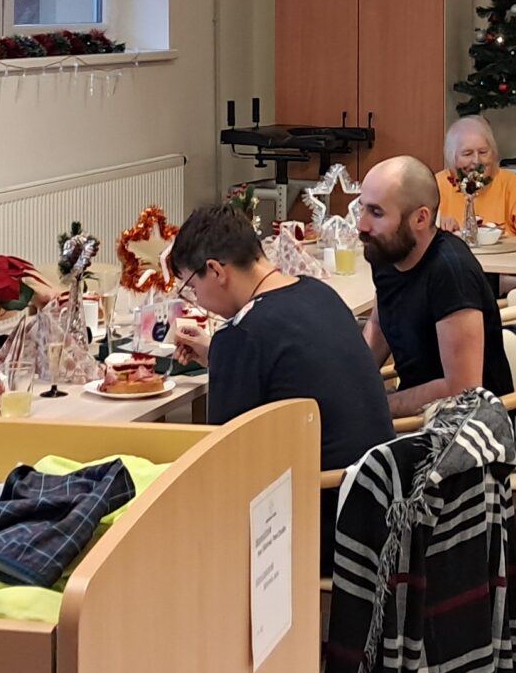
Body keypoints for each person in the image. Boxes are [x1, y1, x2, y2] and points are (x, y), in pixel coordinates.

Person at [167, 203, 395, 473]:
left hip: (322, 491)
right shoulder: (318, 292)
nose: (199, 301)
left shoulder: (241, 334)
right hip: (380, 481)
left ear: (216, 271)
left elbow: (225, 460)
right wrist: (216, 354)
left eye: (193, 288)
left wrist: (226, 353)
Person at [355, 156, 513, 417]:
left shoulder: (451, 271)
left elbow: (462, 389)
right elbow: (380, 324)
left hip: (469, 423)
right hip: (419, 412)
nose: (361, 224)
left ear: (420, 218)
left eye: (376, 213)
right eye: (361, 209)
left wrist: (375, 407)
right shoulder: (387, 251)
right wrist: (350, 384)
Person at [436, 115, 516, 240]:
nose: (476, 161)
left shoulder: (511, 183)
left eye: (483, 152)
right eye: (467, 154)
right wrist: (437, 226)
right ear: (452, 157)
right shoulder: (436, 186)